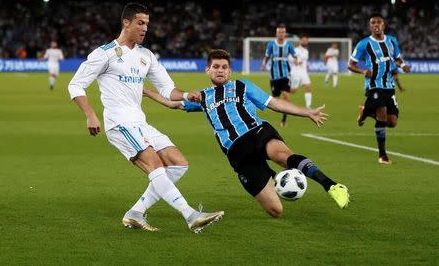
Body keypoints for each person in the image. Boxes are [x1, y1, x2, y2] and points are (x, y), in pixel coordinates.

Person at [67, 3, 223, 233]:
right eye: (140, 23)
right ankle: (190, 215)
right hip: (119, 123)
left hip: (140, 122)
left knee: (179, 164)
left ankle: (135, 213)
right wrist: (90, 114)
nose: (145, 28)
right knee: (155, 164)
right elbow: (75, 84)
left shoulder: (146, 56)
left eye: (147, 24)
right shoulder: (105, 53)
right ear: (126, 23)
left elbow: (168, 89)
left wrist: (188, 95)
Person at [144, 49, 350, 218]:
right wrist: (145, 91)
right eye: (216, 66)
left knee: (283, 156)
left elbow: (274, 103)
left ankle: (331, 186)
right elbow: (172, 103)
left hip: (257, 132)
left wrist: (306, 112)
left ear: (230, 72)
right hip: (236, 151)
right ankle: (274, 178)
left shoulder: (242, 86)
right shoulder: (202, 97)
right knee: (275, 210)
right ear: (207, 70)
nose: (220, 70)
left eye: (224, 67)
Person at [348, 13, 410, 165]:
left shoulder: (392, 41)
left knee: (392, 122)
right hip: (374, 85)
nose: (376, 25)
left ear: (384, 25)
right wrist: (363, 71)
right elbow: (351, 64)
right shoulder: (364, 44)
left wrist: (402, 65)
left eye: (379, 22)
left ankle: (366, 111)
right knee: (382, 115)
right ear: (370, 26)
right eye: (373, 23)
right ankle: (382, 155)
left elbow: (397, 57)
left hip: (389, 86)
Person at [261, 24, 298, 127]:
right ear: (276, 33)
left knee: (286, 96)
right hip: (274, 76)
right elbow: (267, 56)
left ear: (285, 33)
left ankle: (284, 119)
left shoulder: (289, 45)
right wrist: (263, 64)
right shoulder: (271, 44)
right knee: (276, 100)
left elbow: (295, 56)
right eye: (279, 32)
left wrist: (295, 60)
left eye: (283, 32)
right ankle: (284, 109)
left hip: (286, 74)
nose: (281, 34)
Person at [290, 36, 312, 109]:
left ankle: (308, 106)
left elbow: (304, 61)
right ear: (301, 41)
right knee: (293, 91)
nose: (305, 41)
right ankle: (282, 90)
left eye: (306, 40)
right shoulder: (296, 49)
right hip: (296, 72)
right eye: (303, 40)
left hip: (303, 72)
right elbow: (290, 57)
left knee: (307, 87)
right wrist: (294, 61)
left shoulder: (306, 51)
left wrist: (306, 65)